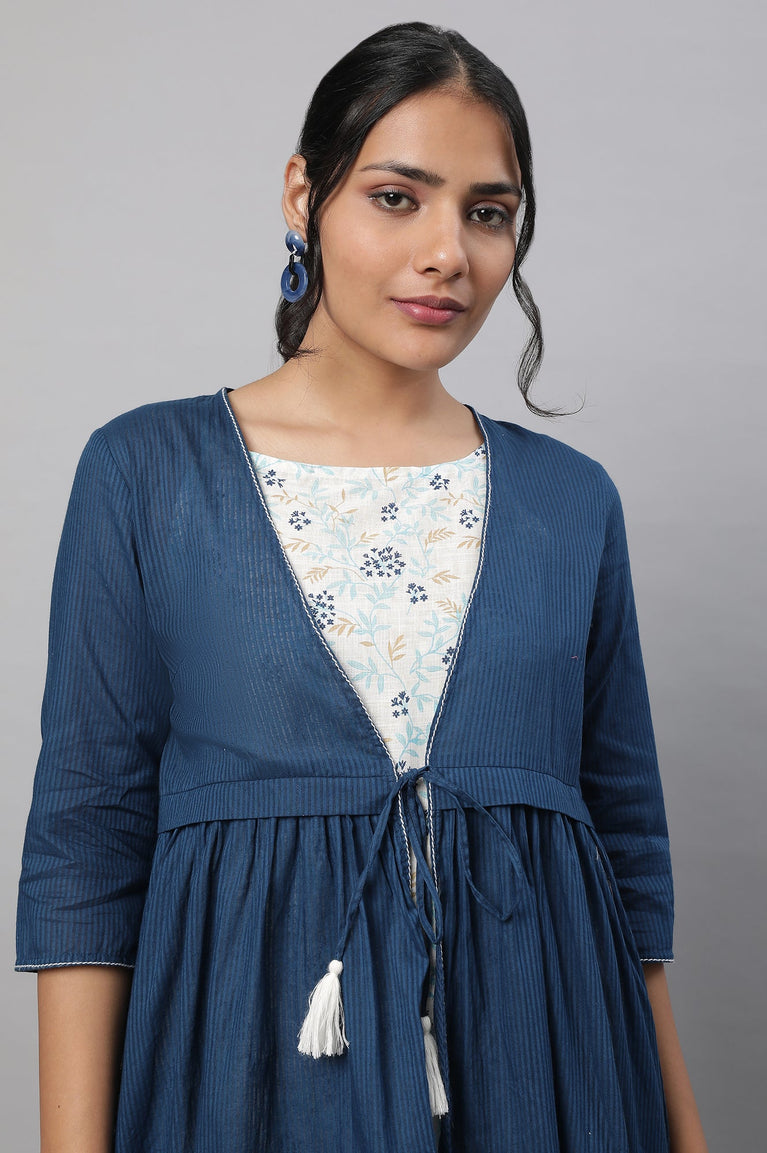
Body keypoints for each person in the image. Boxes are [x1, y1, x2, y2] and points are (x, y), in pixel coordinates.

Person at [14, 20, 709, 1153]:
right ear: (304, 196)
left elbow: (626, 856)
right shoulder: (146, 473)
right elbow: (86, 844)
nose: (448, 253)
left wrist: (683, 1130)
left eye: (487, 212)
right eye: (397, 198)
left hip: (551, 1076)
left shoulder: (569, 501)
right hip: (248, 1081)